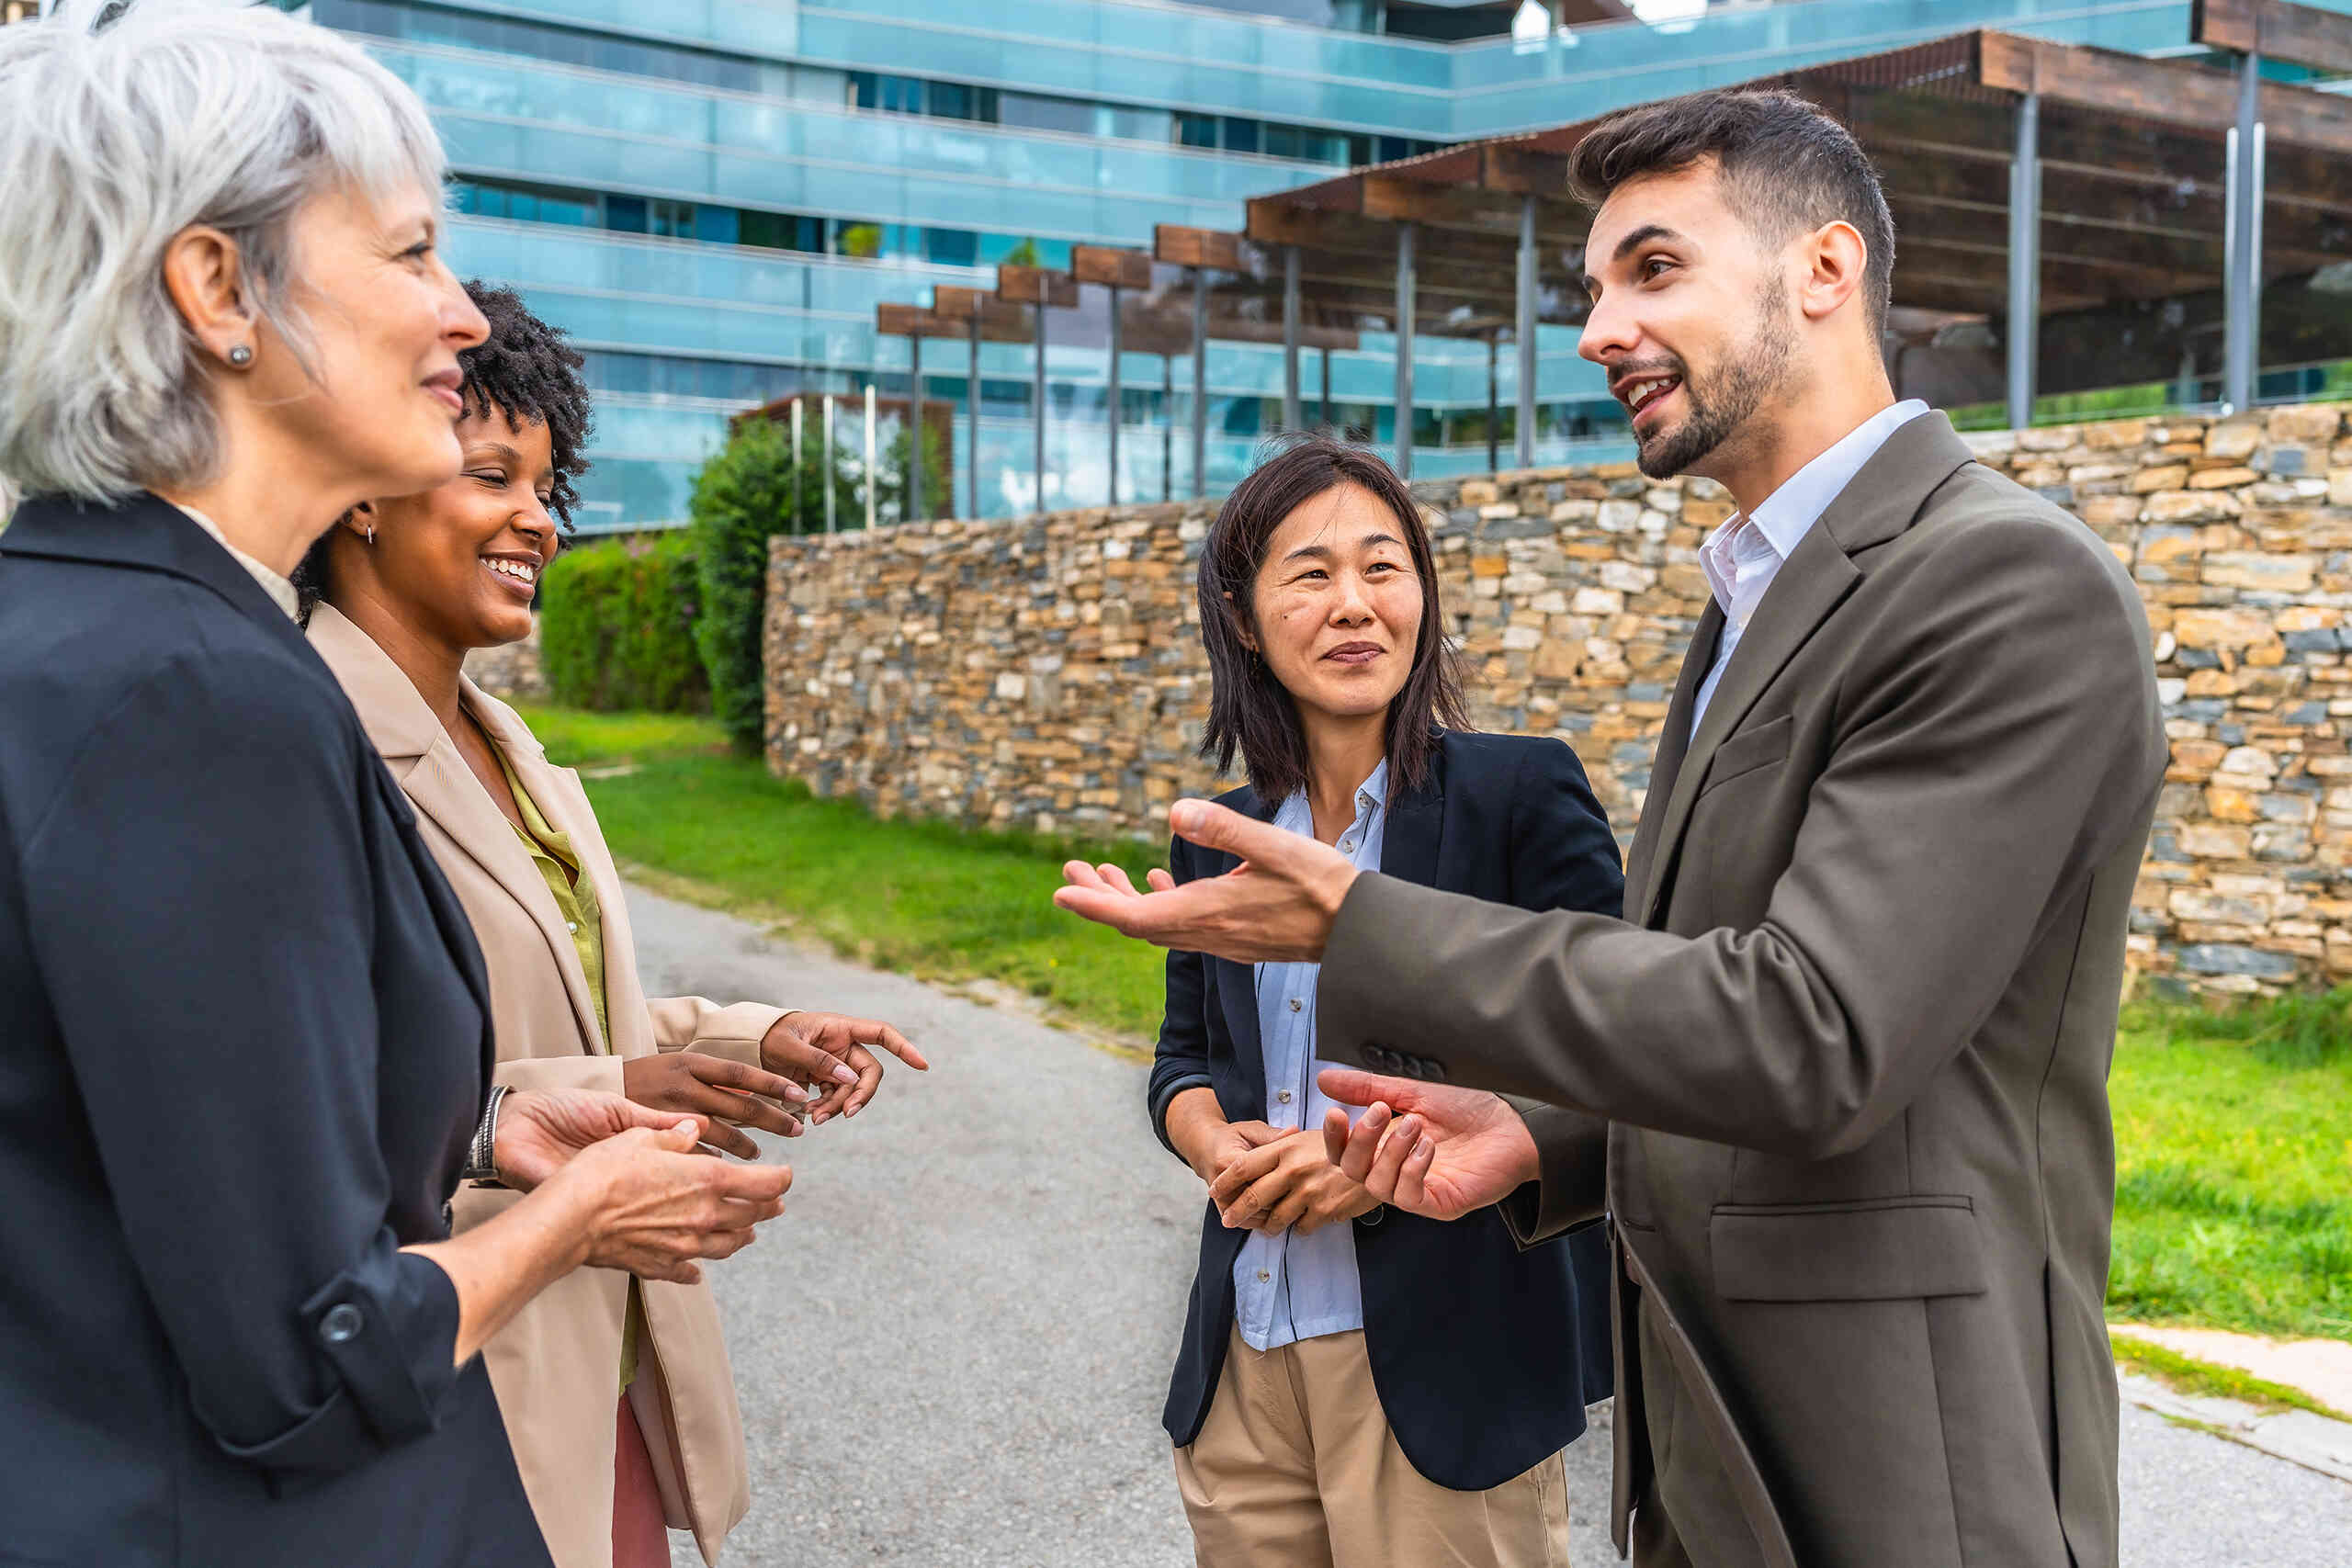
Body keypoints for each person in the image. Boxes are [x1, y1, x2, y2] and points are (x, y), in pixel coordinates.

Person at [1057, 89, 2167, 1568]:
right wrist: (1538, 1133)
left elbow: (1816, 1026)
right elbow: (1701, 987)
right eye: (1594, 288)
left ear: (1825, 271)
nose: (1595, 330)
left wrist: (1362, 924)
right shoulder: (1750, 601)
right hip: (1711, 1443)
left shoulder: (2004, 582)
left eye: (1652, 269)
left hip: (1903, 1458)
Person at [0, 7, 788, 1564]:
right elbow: (305, 1360)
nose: (454, 318)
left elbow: (137, 1135)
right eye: (414, 254)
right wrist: (574, 1213)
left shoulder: (77, 624)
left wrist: (495, 1132)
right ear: (219, 287)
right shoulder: (197, 692)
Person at [295, 280, 928, 1568]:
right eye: (490, 476)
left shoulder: (505, 738)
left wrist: (763, 1033)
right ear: (365, 484)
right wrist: (608, 1083)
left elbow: (575, 1001)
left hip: (603, 1353)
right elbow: (301, 1077)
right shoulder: (297, 733)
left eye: (546, 484)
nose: (541, 519)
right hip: (459, 1370)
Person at [1113, 435, 1618, 1566]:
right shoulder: (1223, 839)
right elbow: (1182, 1059)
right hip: (1247, 1352)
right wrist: (1211, 1143)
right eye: (1309, 573)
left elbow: (1614, 1049)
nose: (1354, 605)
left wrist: (1355, 1164)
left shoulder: (1520, 793)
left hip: (1445, 1370)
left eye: (1383, 568)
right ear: (1243, 619)